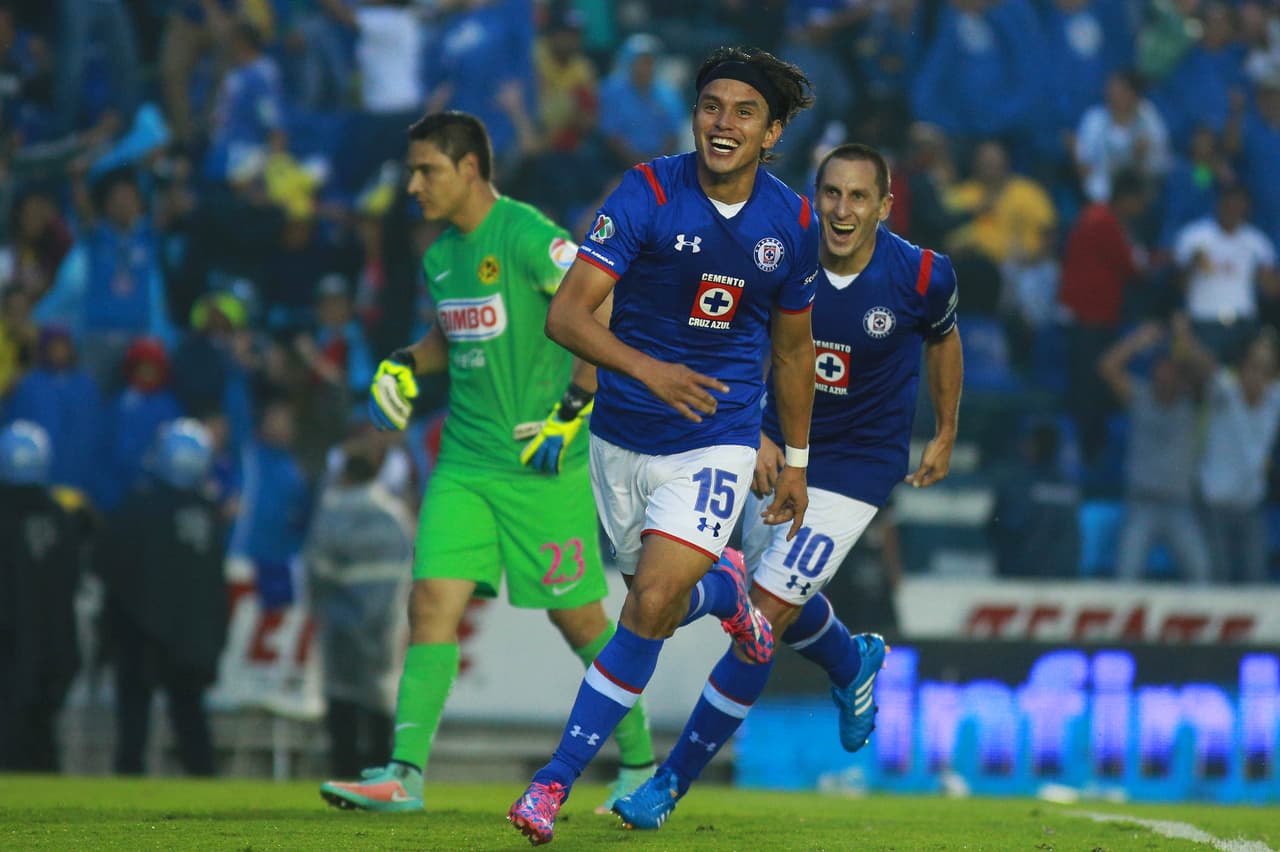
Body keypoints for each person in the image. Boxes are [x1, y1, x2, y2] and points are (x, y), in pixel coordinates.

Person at [508, 45, 820, 845]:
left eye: (744, 112)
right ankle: (729, 593)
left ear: (772, 132)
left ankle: (551, 784)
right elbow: (568, 315)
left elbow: (791, 351)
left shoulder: (792, 221)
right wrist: (653, 372)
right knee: (656, 602)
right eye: (712, 106)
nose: (723, 123)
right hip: (622, 435)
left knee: (646, 605)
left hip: (714, 435)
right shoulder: (646, 191)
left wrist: (795, 456)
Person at [612, 142, 964, 830]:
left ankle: (668, 783)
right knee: (758, 593)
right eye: (831, 192)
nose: (842, 208)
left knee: (763, 614)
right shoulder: (779, 249)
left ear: (884, 206)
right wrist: (761, 431)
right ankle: (850, 659)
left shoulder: (922, 274)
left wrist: (946, 430)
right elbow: (741, 339)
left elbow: (942, 337)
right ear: (816, 195)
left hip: (856, 467)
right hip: (773, 444)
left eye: (859, 196)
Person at [321, 110, 658, 815]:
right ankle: (403, 775)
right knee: (430, 602)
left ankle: (640, 764)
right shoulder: (439, 258)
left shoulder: (529, 236)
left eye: (426, 171)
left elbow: (605, 302)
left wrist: (574, 408)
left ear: (469, 168)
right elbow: (454, 331)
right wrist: (407, 363)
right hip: (467, 462)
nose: (413, 185)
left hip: (542, 467)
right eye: (412, 172)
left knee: (580, 622)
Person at [98, 419, 228, 775]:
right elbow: (216, 588)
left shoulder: (137, 507)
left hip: (140, 631)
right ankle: (205, 792)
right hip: (189, 636)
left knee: (134, 724)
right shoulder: (208, 513)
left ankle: (129, 783)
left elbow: (111, 567)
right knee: (191, 720)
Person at [305, 435, 414, 777]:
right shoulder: (394, 514)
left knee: (342, 700)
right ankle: (383, 773)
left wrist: (322, 608)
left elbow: (317, 570)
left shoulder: (333, 512)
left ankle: (344, 772)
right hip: (385, 624)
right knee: (381, 700)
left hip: (341, 623)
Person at [0, 421, 91, 771]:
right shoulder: (60, 515)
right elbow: (72, 578)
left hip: (10, 639)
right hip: (55, 637)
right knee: (42, 729)